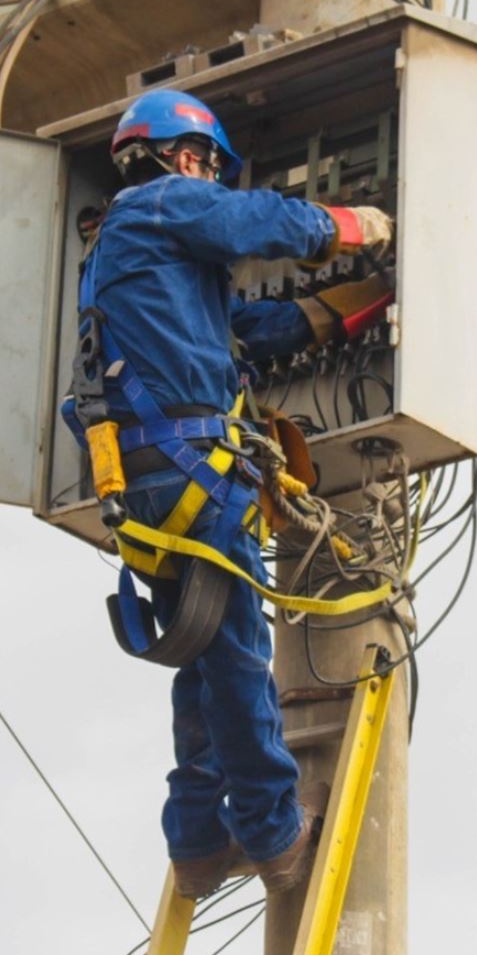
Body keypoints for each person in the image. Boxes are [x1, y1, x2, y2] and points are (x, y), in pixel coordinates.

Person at [71, 88, 392, 898]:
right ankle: (271, 830)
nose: (210, 180)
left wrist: (354, 307)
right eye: (209, 167)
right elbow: (262, 225)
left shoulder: (138, 263)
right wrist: (354, 227)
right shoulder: (158, 204)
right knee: (242, 658)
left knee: (206, 654)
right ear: (187, 158)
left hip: (154, 477)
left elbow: (246, 337)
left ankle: (197, 844)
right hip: (192, 474)